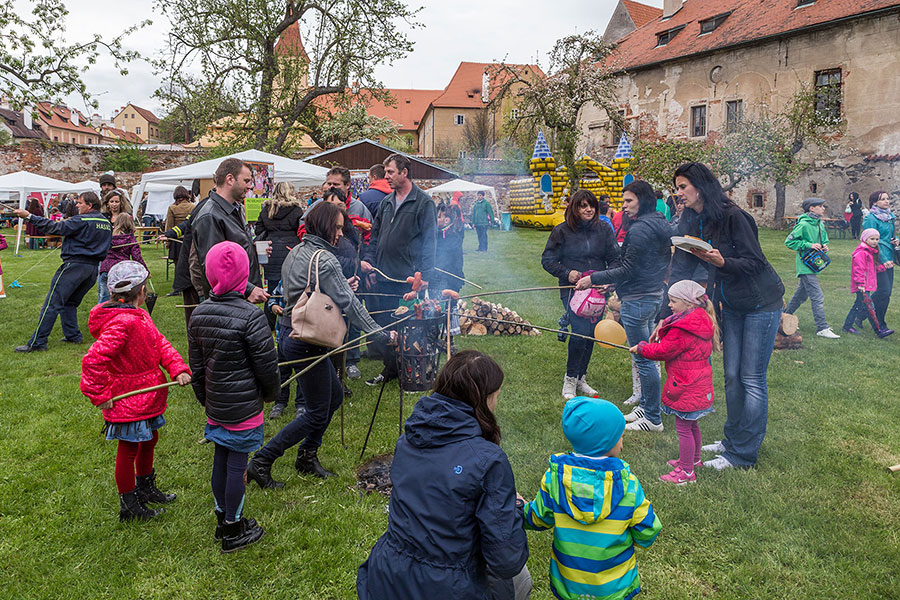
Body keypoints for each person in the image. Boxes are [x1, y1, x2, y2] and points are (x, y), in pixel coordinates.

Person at [357, 351, 530, 600]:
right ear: (484, 398)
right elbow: (506, 560)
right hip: (448, 587)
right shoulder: (488, 460)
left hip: (386, 576)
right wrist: (513, 509)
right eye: (496, 395)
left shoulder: (406, 441)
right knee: (521, 580)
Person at [247, 202, 395, 488]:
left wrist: (341, 285)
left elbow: (311, 291)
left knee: (335, 397)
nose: (340, 233)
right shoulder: (324, 258)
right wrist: (381, 335)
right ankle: (262, 460)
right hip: (306, 341)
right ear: (324, 225)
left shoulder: (297, 251)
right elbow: (350, 304)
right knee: (316, 410)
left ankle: (306, 455)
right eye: (337, 227)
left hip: (294, 336)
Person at [670, 162, 784, 471]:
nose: (678, 193)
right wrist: (668, 302)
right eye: (677, 188)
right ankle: (732, 440)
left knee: (751, 378)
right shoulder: (694, 220)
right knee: (732, 377)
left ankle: (742, 455)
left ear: (700, 186)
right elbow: (682, 264)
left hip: (762, 302)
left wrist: (723, 262)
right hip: (730, 304)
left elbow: (755, 263)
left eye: (683, 187)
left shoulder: (735, 218)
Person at [80, 261, 191, 521]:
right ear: (141, 291)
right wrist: (100, 394)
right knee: (129, 448)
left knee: (149, 440)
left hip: (149, 393)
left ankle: (145, 487)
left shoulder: (139, 316)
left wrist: (177, 367)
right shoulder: (122, 323)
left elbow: (159, 343)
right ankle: (129, 506)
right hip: (129, 398)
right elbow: (93, 360)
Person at [521, 396, 661, 600]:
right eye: (620, 437)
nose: (622, 443)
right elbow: (648, 530)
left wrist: (520, 508)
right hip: (614, 587)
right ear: (606, 442)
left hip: (569, 584)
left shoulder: (555, 479)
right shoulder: (628, 484)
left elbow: (538, 518)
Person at [188, 241, 279, 552]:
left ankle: (222, 518)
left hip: (217, 403)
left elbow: (196, 368)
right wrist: (270, 395)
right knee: (236, 464)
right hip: (243, 407)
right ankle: (232, 528)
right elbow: (267, 366)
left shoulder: (199, 313)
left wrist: (205, 399)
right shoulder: (252, 317)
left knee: (222, 458)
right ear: (244, 274)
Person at [575, 180, 672, 432]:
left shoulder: (640, 229)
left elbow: (628, 268)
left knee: (644, 359)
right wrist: (613, 284)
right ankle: (647, 407)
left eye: (628, 201)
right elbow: (641, 267)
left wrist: (593, 279)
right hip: (652, 295)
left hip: (638, 301)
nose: (624, 206)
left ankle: (652, 418)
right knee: (647, 356)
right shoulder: (659, 221)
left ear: (642, 199)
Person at [630, 280, 718, 484]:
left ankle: (686, 473)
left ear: (689, 304)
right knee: (692, 424)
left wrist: (642, 348)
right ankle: (694, 461)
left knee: (684, 429)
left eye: (673, 301)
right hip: (698, 383)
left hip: (686, 385)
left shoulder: (683, 328)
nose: (669, 305)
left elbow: (663, 350)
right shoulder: (699, 319)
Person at [360, 153, 437, 386]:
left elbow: (429, 242)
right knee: (385, 325)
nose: (387, 177)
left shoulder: (423, 203)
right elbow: (374, 237)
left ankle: (412, 368)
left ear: (404, 172)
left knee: (408, 326)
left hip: (407, 278)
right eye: (385, 172)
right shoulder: (386, 202)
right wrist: (370, 263)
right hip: (383, 274)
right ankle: (390, 368)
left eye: (391, 172)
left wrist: (424, 275)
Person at [543, 190, 620, 400]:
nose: (589, 209)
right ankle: (569, 379)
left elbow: (615, 258)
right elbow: (547, 260)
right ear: (574, 208)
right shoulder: (561, 231)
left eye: (592, 205)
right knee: (579, 332)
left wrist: (608, 279)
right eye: (583, 205)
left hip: (596, 290)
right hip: (572, 290)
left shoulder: (604, 229)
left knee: (591, 335)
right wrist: (567, 273)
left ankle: (580, 378)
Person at [13, 192, 113, 352]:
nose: (77, 205)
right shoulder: (106, 223)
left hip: (74, 266)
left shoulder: (81, 220)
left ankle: (37, 343)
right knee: (70, 303)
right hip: (92, 269)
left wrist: (29, 216)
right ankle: (73, 335)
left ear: (90, 205)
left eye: (80, 203)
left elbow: (55, 228)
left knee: (52, 304)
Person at [191, 158, 269, 304]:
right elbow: (216, 268)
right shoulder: (210, 216)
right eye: (246, 181)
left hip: (239, 299)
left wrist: (252, 249)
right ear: (230, 179)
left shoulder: (233, 209)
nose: (250, 187)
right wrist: (249, 289)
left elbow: (232, 249)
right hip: (227, 302)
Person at [784, 198, 839, 339]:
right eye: (820, 206)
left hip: (814, 264)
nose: (823, 208)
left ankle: (783, 317)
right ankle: (822, 327)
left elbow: (824, 240)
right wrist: (809, 245)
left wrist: (824, 246)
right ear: (811, 208)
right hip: (805, 265)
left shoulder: (820, 224)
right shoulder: (803, 224)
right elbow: (789, 242)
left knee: (800, 295)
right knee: (817, 296)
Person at [254, 181, 303, 328]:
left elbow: (258, 230)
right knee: (292, 287)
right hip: (290, 249)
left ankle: (269, 323)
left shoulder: (267, 209)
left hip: (271, 250)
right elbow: (300, 230)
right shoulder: (296, 210)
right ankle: (291, 320)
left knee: (272, 289)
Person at [843, 229, 894, 337]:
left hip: (866, 285)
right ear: (865, 239)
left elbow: (871, 267)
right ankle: (879, 331)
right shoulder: (861, 253)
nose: (875, 241)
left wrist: (881, 268)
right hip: (862, 286)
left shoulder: (871, 252)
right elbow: (859, 269)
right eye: (872, 239)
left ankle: (847, 326)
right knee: (870, 308)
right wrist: (861, 283)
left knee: (857, 306)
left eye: (877, 239)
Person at [861, 190, 899, 331]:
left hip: (889, 255)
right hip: (876, 257)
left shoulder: (889, 217)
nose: (886, 201)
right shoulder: (871, 218)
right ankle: (862, 314)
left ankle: (879, 321)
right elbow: (871, 241)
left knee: (886, 293)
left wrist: (897, 240)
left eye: (887, 199)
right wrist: (882, 259)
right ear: (874, 202)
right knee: (883, 290)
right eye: (882, 199)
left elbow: (889, 237)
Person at [433, 202, 465, 352]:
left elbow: (453, 260)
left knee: (448, 309)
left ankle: (448, 342)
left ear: (446, 220)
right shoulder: (437, 235)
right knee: (437, 307)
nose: (436, 220)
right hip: (438, 277)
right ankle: (436, 339)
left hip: (449, 279)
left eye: (438, 217)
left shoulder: (452, 236)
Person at [98, 214, 147, 304]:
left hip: (106, 269)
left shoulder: (108, 237)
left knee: (103, 298)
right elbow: (137, 256)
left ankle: (101, 316)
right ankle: (120, 316)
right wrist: (145, 271)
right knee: (122, 298)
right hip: (121, 273)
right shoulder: (130, 239)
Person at [164, 186, 195, 266]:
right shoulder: (193, 207)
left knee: (178, 267)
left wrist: (168, 242)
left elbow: (169, 226)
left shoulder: (172, 208)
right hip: (189, 240)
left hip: (176, 241)